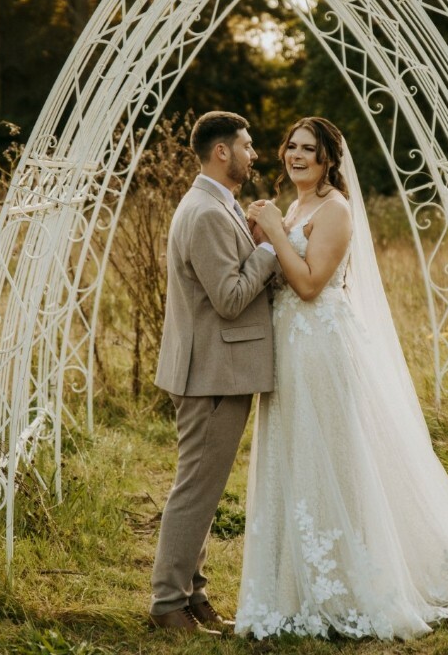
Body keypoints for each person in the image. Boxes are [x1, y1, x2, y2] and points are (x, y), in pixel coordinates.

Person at [237, 116, 448, 641]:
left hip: (320, 348)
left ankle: (346, 586)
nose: (295, 156)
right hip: (291, 349)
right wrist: (264, 234)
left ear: (329, 160)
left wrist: (272, 233)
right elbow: (282, 272)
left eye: (308, 149)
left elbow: (312, 283)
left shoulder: (335, 210)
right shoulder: (294, 206)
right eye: (291, 146)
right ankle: (295, 586)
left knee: (333, 457)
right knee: (297, 456)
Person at [150, 110, 279, 635]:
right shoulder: (204, 212)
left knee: (204, 488)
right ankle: (166, 605)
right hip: (210, 375)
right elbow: (228, 299)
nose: (255, 154)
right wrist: (269, 251)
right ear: (221, 152)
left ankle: (193, 595)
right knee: (195, 490)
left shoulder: (215, 205)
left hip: (216, 370)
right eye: (247, 146)